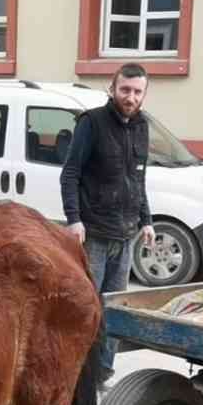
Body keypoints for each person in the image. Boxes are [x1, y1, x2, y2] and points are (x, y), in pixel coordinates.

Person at [60, 63, 156, 385]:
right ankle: (75, 377)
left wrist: (147, 220)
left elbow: (138, 179)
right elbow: (70, 173)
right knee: (86, 309)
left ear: (144, 94)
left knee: (114, 310)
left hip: (126, 236)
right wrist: (74, 219)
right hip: (95, 235)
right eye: (125, 89)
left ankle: (102, 374)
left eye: (137, 91)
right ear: (112, 88)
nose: (130, 97)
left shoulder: (142, 126)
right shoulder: (92, 124)